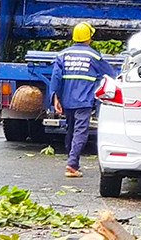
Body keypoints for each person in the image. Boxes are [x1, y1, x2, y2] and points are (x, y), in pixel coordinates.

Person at [50, 22, 117, 178]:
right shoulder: (94, 56)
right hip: (84, 101)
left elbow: (56, 78)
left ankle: (72, 160)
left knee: (71, 130)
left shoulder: (62, 55)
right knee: (80, 132)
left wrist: (55, 97)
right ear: (89, 38)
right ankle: (72, 165)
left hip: (67, 100)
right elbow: (110, 74)